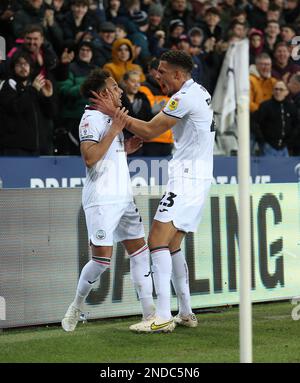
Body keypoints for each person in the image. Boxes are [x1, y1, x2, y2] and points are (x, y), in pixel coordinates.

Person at [90, 50, 215, 333]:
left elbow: (148, 130)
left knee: (156, 239)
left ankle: (161, 316)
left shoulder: (182, 98)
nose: (156, 75)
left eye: (161, 71)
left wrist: (115, 114)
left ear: (178, 75)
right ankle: (185, 311)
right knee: (172, 245)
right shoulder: (199, 90)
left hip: (186, 178)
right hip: (199, 176)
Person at [61, 68, 154, 332]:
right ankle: (77, 305)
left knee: (140, 251)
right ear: (103, 93)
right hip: (101, 200)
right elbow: (90, 158)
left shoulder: (111, 118)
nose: (120, 91)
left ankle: (150, 316)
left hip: (123, 197)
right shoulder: (90, 119)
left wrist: (124, 149)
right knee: (102, 261)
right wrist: (114, 130)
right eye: (115, 87)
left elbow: (106, 154)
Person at [0, 51, 56, 155]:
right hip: (15, 148)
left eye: (26, 64)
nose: (23, 67)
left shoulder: (35, 86)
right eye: (19, 64)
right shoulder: (8, 85)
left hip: (38, 148)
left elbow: (51, 114)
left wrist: (48, 97)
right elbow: (15, 108)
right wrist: (32, 90)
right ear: (13, 67)